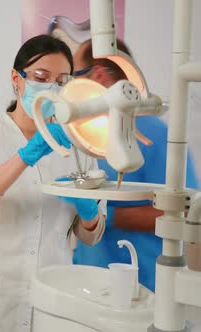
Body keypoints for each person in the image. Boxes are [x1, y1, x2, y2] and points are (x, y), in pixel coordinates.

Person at [0, 34, 106, 332]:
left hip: (50, 290)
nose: (52, 87)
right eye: (42, 77)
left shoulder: (78, 144)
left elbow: (91, 236)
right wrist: (25, 157)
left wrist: (89, 213)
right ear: (17, 79)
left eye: (62, 80)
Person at [71, 39, 198, 292]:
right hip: (90, 280)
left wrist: (107, 216)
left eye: (75, 75)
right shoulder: (85, 135)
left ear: (96, 75)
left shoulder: (155, 135)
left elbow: (186, 212)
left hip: (143, 286)